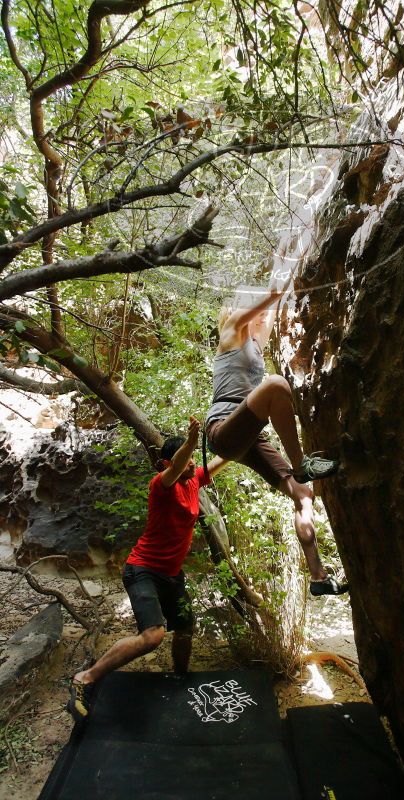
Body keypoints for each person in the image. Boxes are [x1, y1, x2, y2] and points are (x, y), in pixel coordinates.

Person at [67, 417, 227, 723]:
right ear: (167, 463)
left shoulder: (194, 480)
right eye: (188, 457)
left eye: (194, 457)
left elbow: (225, 457)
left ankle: (181, 677)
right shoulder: (161, 485)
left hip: (171, 574)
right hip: (143, 570)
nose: (193, 462)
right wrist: (192, 441)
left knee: (184, 629)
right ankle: (84, 678)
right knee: (153, 636)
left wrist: (245, 431)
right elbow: (178, 466)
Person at [205, 284, 348, 597]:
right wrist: (276, 287)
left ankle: (318, 576)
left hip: (249, 439)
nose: (264, 316)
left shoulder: (256, 341)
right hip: (222, 430)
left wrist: (286, 268)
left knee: (304, 496)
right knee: (275, 385)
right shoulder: (231, 329)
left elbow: (272, 306)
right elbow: (269, 297)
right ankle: (302, 464)